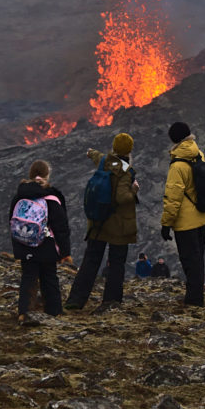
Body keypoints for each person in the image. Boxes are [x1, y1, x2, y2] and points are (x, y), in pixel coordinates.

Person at [65, 133, 139, 313]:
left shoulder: (105, 160)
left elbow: (97, 155)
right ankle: (111, 302)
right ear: (129, 150)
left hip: (98, 222)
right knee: (116, 264)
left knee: (90, 261)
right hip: (118, 227)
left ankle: (76, 299)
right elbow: (122, 197)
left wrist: (90, 152)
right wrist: (134, 191)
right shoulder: (125, 170)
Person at [10, 159, 72, 322]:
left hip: (24, 244)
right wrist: (65, 252)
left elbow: (13, 221)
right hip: (46, 246)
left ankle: (24, 312)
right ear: (47, 175)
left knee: (28, 277)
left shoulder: (20, 195)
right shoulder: (51, 197)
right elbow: (61, 227)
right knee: (49, 277)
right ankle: (54, 312)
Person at [160, 121, 205, 307]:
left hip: (185, 222)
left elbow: (173, 198)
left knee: (190, 261)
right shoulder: (199, 155)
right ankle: (196, 296)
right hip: (201, 216)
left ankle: (194, 300)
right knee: (198, 259)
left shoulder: (177, 166)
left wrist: (166, 224)